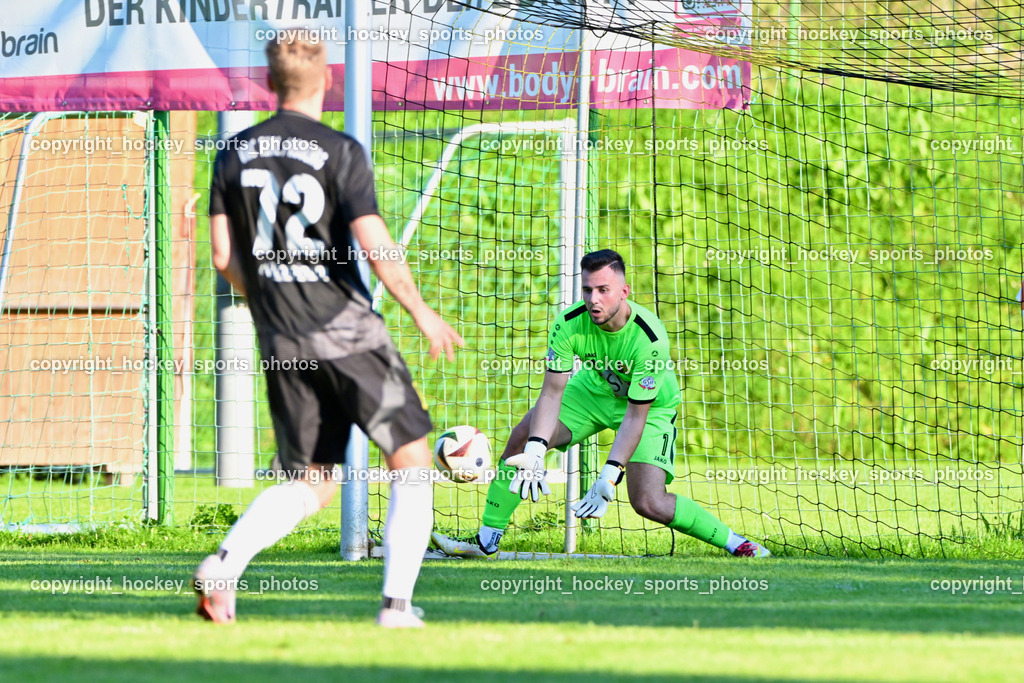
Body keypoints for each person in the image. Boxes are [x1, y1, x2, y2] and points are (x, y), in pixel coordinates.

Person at [193, 33, 463, 628]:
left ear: (270, 84)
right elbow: (376, 246)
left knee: (312, 480)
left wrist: (267, 301)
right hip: (348, 331)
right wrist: (420, 311)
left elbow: (220, 255)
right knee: (412, 458)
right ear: (325, 83)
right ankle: (395, 607)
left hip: (282, 337)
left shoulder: (232, 152)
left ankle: (225, 563)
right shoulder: (340, 151)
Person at [431, 249, 770, 559]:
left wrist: (610, 474)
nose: (593, 299)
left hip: (649, 410)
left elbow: (635, 418)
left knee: (648, 502)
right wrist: (536, 451)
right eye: (587, 290)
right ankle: (485, 541)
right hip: (592, 391)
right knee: (523, 436)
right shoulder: (567, 323)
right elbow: (551, 393)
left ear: (624, 292)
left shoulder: (649, 340)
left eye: (603, 290)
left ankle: (738, 543)